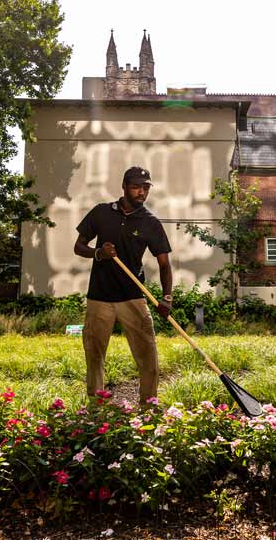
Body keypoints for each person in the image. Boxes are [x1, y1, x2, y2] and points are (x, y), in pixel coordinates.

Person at [73, 166, 173, 405]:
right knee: (94, 354)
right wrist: (99, 253)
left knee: (148, 355)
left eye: (146, 187)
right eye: (137, 186)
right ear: (124, 187)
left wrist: (167, 298)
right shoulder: (101, 213)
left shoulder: (150, 222)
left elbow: (164, 264)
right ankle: (97, 407)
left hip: (133, 295)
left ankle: (148, 405)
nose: (142, 192)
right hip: (99, 296)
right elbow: (79, 246)